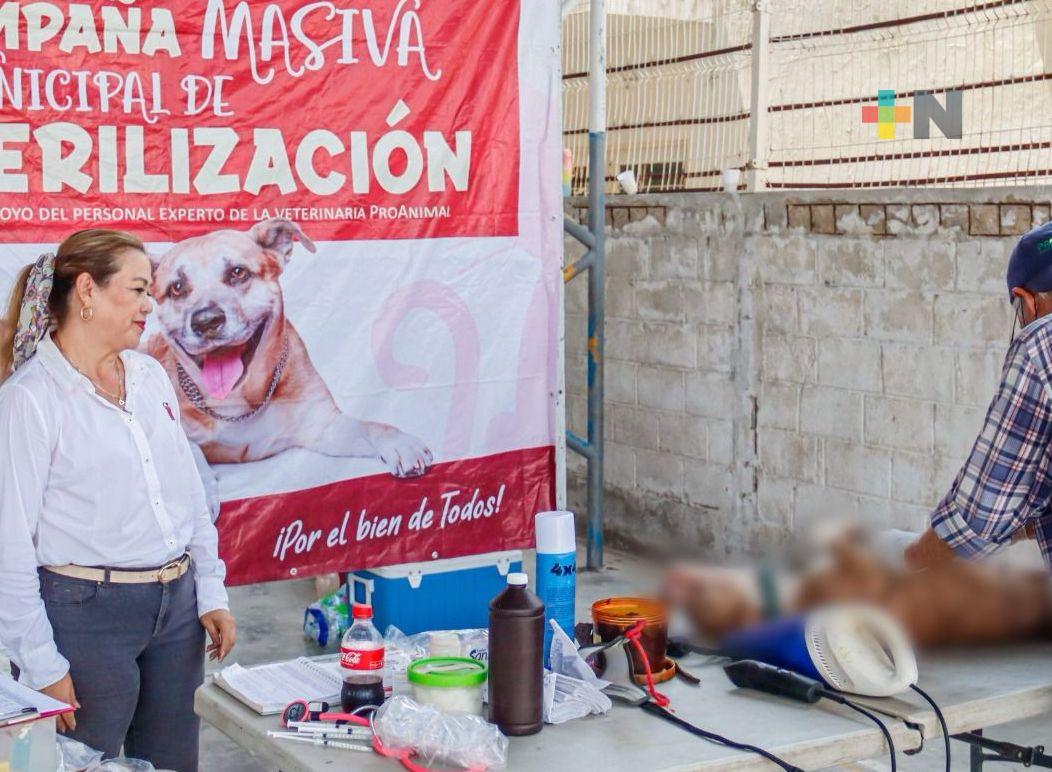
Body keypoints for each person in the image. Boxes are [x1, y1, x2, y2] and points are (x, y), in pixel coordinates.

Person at [664, 222, 1052, 646]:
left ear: (1025, 301)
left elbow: (982, 514)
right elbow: (1026, 502)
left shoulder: (1038, 347)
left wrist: (905, 560)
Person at [0, 230, 237, 771]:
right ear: (87, 291)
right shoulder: (30, 402)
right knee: (80, 763)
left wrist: (210, 590)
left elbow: (187, 494)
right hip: (83, 621)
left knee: (175, 762)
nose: (151, 305)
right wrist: (40, 663)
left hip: (176, 613)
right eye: (136, 290)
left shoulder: (149, 376)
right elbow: (8, 547)